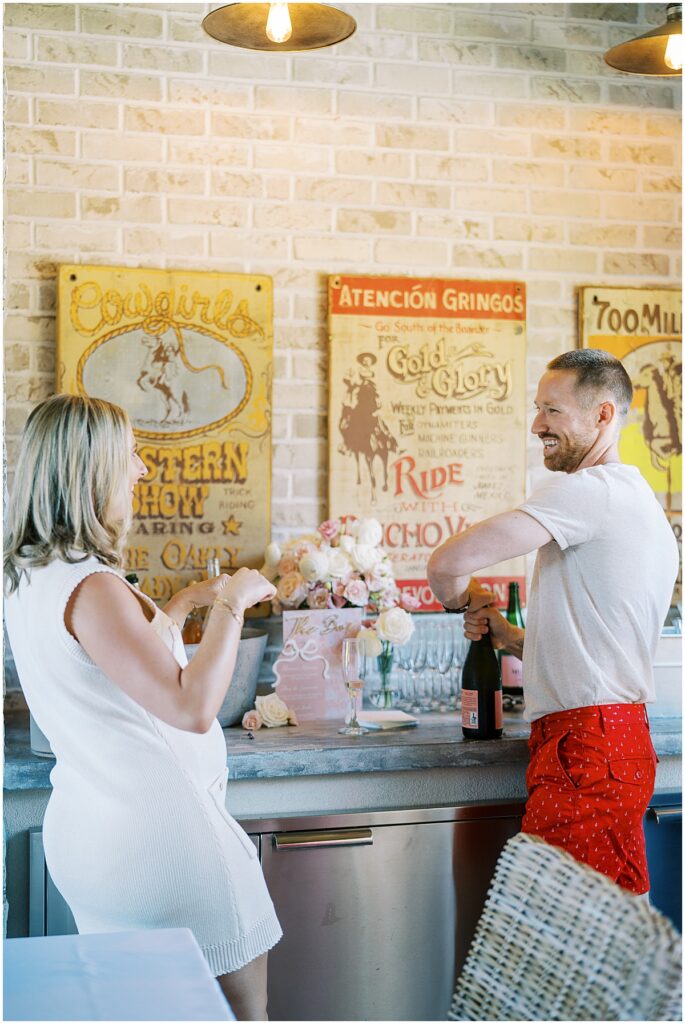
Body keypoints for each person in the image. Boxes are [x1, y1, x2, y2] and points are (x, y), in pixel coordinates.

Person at [4, 394, 281, 1020]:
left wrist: (180, 606)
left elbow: (107, 674)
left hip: (95, 844)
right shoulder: (94, 587)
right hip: (171, 853)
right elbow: (191, 707)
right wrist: (234, 601)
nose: (142, 470)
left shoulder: (29, 577)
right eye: (130, 454)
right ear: (93, 468)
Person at [427, 349, 679, 897]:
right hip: (619, 739)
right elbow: (599, 643)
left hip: (585, 746)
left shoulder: (588, 491)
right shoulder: (637, 500)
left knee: (556, 935)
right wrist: (511, 638)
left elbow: (445, 564)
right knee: (603, 936)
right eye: (538, 408)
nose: (538, 424)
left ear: (603, 416)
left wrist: (459, 600)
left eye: (554, 410)